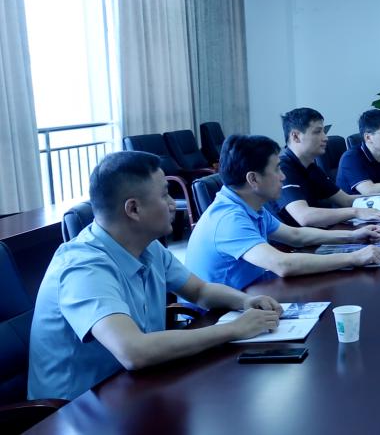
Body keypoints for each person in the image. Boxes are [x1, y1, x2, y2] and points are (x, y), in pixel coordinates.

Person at [29, 152, 283, 401]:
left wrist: (244, 301)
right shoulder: (83, 268)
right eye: (164, 194)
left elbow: (200, 291)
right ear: (134, 209)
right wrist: (233, 329)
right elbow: (133, 351)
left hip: (134, 388)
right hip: (76, 410)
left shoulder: (147, 245)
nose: (173, 203)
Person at [186, 135, 380, 291]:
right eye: (277, 169)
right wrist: (354, 258)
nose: (282, 177)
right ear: (253, 179)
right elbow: (282, 264)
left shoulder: (248, 204)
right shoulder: (229, 219)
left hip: (252, 292)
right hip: (218, 314)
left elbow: (295, 235)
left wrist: (353, 236)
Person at [273, 107, 380, 228]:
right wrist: (356, 212)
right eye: (317, 132)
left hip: (319, 233)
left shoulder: (311, 167)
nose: (325, 138)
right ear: (296, 137)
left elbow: (346, 200)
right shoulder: (282, 168)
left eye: (324, 132)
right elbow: (304, 217)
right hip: (296, 239)